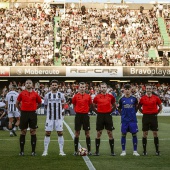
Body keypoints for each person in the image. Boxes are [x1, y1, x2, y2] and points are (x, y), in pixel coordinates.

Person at [16, 79, 42, 156]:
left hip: (32, 114)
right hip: (24, 114)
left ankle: (33, 151)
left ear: (32, 85)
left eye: (29, 83)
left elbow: (40, 103)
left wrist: (35, 109)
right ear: (25, 85)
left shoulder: (35, 94)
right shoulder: (21, 93)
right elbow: (17, 103)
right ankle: (21, 151)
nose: (28, 84)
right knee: (23, 131)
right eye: (27, 83)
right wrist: (21, 110)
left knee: (33, 131)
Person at [42, 80, 66, 156]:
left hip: (59, 118)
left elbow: (63, 104)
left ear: (58, 86)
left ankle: (61, 151)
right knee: (47, 133)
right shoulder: (47, 95)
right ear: (51, 86)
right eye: (53, 85)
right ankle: (45, 151)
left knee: (60, 133)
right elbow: (45, 105)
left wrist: (60, 112)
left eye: (55, 85)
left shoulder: (61, 95)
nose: (54, 86)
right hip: (50, 118)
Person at [93, 82, 116, 156]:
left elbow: (114, 105)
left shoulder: (110, 96)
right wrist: (97, 112)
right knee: (99, 133)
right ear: (100, 88)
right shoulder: (97, 97)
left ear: (107, 88)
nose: (103, 88)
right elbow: (93, 106)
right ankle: (97, 151)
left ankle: (112, 151)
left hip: (108, 116)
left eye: (104, 87)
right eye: (102, 87)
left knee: (110, 133)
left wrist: (110, 112)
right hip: (100, 116)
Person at [138, 84, 162, 156]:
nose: (148, 90)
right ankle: (144, 151)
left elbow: (160, 106)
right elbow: (139, 106)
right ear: (146, 89)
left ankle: (157, 151)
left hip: (153, 117)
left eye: (149, 89)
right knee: (145, 133)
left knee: (155, 133)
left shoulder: (156, 98)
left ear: (152, 90)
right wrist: (143, 112)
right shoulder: (142, 98)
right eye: (147, 88)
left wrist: (156, 113)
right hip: (145, 117)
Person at [118, 84, 140, 156]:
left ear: (131, 90)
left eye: (128, 89)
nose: (127, 91)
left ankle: (135, 151)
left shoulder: (134, 99)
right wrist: (123, 115)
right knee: (123, 134)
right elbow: (119, 109)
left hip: (132, 120)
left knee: (134, 134)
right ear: (123, 90)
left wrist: (133, 113)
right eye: (126, 89)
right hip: (124, 120)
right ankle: (123, 151)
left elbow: (137, 107)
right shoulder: (121, 99)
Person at [72, 82, 92, 156]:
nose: (82, 88)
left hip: (85, 116)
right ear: (79, 88)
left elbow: (90, 105)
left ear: (85, 88)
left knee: (87, 133)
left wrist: (85, 111)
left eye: (83, 87)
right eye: (81, 87)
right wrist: (77, 111)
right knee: (77, 133)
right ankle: (75, 151)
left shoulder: (88, 96)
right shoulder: (75, 96)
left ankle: (89, 151)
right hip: (78, 115)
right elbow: (74, 104)